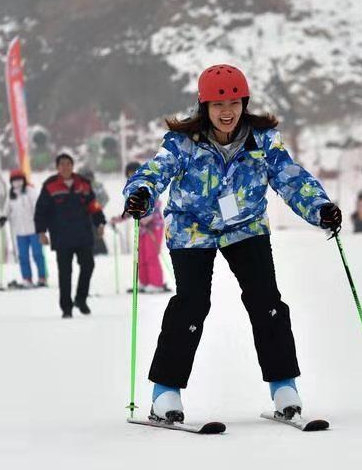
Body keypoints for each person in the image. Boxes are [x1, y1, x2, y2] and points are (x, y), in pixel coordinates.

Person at [122, 64, 341, 423]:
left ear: (245, 103)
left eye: (235, 104)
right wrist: (141, 195)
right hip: (192, 229)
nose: (228, 112)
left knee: (266, 301)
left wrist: (320, 208)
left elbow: (290, 177)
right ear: (203, 106)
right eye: (218, 105)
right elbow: (153, 173)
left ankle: (284, 386)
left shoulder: (263, 139)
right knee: (191, 304)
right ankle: (166, 392)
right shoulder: (184, 142)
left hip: (246, 225)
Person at [35, 153, 106, 318]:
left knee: (88, 266)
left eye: (68, 164)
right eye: (62, 164)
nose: (65, 167)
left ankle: (81, 299)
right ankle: (66, 308)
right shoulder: (50, 186)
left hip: (83, 235)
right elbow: (41, 211)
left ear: (72, 166)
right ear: (57, 167)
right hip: (62, 238)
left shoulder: (84, 184)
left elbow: (94, 206)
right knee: (65, 273)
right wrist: (41, 232)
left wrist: (100, 223)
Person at [111, 162, 172, 293]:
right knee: (141, 255)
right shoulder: (131, 190)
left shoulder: (147, 185)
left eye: (135, 172)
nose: (133, 176)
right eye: (130, 174)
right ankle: (144, 282)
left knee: (151, 254)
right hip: (142, 228)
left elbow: (156, 203)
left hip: (153, 227)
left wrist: (146, 218)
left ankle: (156, 283)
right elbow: (130, 209)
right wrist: (118, 219)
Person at [0, 169, 47, 288]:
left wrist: (41, 222)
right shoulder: (11, 195)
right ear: (11, 182)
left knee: (37, 254)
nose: (17, 183)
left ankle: (42, 277)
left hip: (33, 229)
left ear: (24, 180)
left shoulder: (30, 192)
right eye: (14, 180)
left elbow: (38, 207)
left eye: (19, 180)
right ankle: (27, 278)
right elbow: (6, 209)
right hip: (20, 231)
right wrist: (3, 217)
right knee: (23, 256)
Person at [79, 167, 110, 255]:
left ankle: (100, 251)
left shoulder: (97, 186)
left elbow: (105, 198)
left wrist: (97, 207)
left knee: (96, 232)